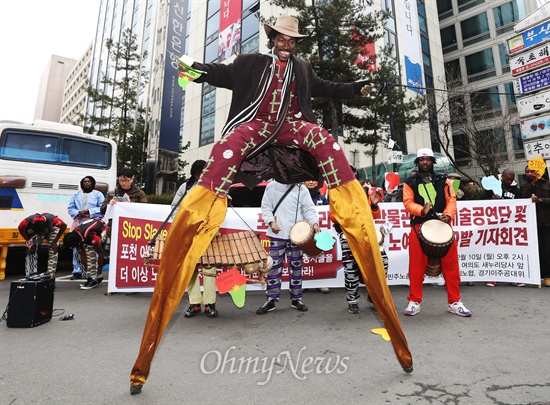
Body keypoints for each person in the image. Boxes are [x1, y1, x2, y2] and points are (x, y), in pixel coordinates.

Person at [130, 16, 412, 393]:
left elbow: (327, 87)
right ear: (272, 38)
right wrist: (195, 70)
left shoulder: (303, 67)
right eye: (282, 37)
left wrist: (355, 89)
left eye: (293, 40)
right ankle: (190, 226)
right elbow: (220, 73)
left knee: (328, 143)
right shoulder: (251, 63)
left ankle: (358, 223)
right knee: (222, 154)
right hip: (255, 125)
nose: (287, 43)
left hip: (296, 126)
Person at [402, 148, 472, 317]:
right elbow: (408, 202)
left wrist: (448, 215)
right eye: (422, 159)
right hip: (419, 226)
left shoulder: (444, 180)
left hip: (443, 226)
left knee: (451, 266)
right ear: (417, 162)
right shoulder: (409, 182)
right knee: (416, 267)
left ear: (433, 162)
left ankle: (454, 301)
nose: (425, 162)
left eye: (428, 159)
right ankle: (414, 301)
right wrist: (422, 210)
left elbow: (451, 200)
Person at [257, 181, 319, 314]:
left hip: (297, 235)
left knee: (296, 268)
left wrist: (314, 223)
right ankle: (271, 299)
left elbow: (308, 208)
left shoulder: (301, 188)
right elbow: (266, 207)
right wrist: (271, 222)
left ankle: (296, 299)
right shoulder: (271, 186)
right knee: (273, 267)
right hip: (277, 234)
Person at [171, 160, 218, 318]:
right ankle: (195, 302)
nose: (200, 176)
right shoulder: (185, 187)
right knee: (189, 267)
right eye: (198, 173)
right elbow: (174, 208)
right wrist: (186, 222)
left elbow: (219, 210)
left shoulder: (215, 187)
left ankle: (210, 303)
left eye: (203, 173)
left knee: (209, 266)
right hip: (188, 232)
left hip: (208, 233)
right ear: (193, 173)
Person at [331, 186, 385, 314]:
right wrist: (346, 212)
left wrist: (373, 205)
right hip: (347, 234)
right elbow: (332, 217)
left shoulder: (364, 192)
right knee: (351, 267)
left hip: (367, 234)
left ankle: (374, 297)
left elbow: (376, 215)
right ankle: (352, 300)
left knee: (382, 262)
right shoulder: (336, 193)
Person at [482, 168, 523, 287]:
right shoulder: (492, 186)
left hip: (510, 225)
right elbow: (482, 201)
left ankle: (515, 276)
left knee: (511, 249)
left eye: (511, 179)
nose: (509, 181)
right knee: (494, 248)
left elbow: (521, 204)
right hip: (494, 223)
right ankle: (492, 276)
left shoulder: (517, 190)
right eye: (507, 179)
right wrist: (491, 199)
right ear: (502, 177)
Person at [67, 176, 105, 280]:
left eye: (89, 181)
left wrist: (89, 211)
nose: (87, 183)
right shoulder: (76, 194)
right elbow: (70, 208)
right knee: (77, 247)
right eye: (85, 181)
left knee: (92, 246)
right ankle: (77, 271)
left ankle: (94, 270)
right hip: (78, 222)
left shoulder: (98, 194)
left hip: (92, 223)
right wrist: (77, 213)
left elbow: (102, 208)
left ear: (92, 183)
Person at [523, 167, 550, 287]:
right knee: (536, 250)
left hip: (546, 222)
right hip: (530, 223)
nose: (530, 174)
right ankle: (536, 275)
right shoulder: (525, 186)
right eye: (527, 172)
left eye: (532, 171)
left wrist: (541, 200)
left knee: (547, 249)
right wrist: (533, 184)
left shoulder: (547, 184)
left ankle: (547, 276)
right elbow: (522, 198)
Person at [18, 213, 67, 278]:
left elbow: (64, 226)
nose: (42, 235)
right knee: (31, 250)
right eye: (40, 234)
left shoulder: (53, 220)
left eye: (42, 233)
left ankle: (51, 274)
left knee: (53, 250)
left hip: (52, 230)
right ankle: (31, 274)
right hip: (36, 232)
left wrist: (54, 242)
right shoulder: (26, 222)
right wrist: (28, 240)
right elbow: (20, 228)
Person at [63, 218, 107, 290]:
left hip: (103, 228)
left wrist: (99, 274)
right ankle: (91, 277)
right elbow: (82, 254)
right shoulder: (75, 234)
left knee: (90, 252)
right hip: (90, 231)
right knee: (78, 255)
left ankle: (95, 279)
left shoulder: (89, 235)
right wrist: (89, 272)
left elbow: (100, 253)